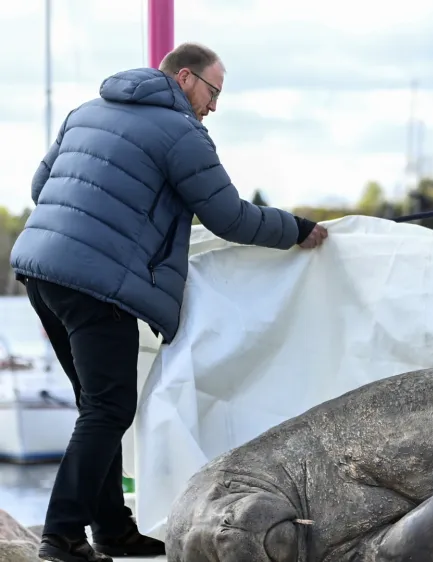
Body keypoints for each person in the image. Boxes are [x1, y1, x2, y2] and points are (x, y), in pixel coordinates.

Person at [9, 42, 328, 562]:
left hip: (40, 271)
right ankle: (61, 536)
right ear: (185, 78)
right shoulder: (181, 133)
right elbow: (229, 216)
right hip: (96, 283)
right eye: (214, 90)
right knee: (109, 407)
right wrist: (295, 230)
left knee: (99, 407)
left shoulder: (86, 111)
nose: (215, 106)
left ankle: (112, 528)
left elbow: (40, 184)